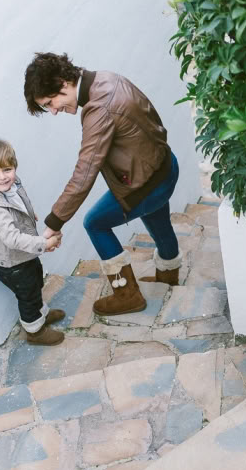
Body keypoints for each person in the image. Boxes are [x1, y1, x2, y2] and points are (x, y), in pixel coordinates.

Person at [23, 52, 182, 317]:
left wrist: (54, 222)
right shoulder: (107, 78)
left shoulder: (98, 109)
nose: (52, 111)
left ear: (63, 82)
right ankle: (169, 275)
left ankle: (127, 295)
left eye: (51, 102)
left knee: (95, 223)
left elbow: (85, 172)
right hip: (163, 166)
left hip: (146, 183)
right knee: (156, 215)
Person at [0, 139, 66, 345]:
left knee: (36, 284)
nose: (2, 177)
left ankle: (41, 314)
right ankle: (34, 331)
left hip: (26, 255)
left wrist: (29, 216)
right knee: (27, 296)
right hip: (13, 264)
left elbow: (21, 203)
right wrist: (44, 243)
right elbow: (12, 238)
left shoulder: (13, 185)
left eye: (7, 169)